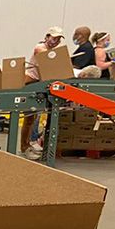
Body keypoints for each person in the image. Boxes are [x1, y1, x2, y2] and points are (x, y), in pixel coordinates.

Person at [21, 26, 65, 159]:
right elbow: (44, 64)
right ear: (47, 37)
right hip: (31, 82)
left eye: (58, 39)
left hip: (40, 84)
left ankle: (29, 144)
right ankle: (24, 146)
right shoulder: (40, 48)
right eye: (54, 38)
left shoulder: (52, 51)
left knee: (34, 117)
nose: (56, 41)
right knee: (29, 117)